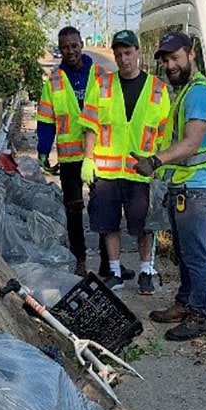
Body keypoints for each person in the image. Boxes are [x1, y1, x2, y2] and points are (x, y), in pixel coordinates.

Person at [133, 31, 206, 341]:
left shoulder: (200, 93)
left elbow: (191, 143)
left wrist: (155, 161)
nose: (169, 65)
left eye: (175, 58)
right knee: (184, 251)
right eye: (165, 60)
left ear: (192, 54)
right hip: (187, 186)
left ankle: (199, 315)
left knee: (196, 254)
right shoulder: (186, 91)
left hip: (200, 187)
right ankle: (185, 302)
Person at [37, 26, 134, 279]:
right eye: (65, 47)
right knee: (73, 210)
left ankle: (107, 263)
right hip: (70, 157)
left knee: (103, 209)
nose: (70, 51)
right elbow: (46, 119)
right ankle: (79, 261)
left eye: (74, 45)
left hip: (99, 154)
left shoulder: (101, 75)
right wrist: (43, 151)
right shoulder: (55, 81)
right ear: (60, 50)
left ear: (82, 44)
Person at [80, 30, 170, 296]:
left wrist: (160, 166)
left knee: (144, 226)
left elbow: (164, 133)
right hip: (107, 171)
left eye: (128, 53)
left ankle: (146, 271)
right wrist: (88, 159)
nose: (123, 59)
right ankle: (116, 273)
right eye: (118, 54)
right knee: (108, 224)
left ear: (138, 52)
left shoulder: (157, 89)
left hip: (140, 171)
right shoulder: (103, 84)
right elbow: (90, 125)